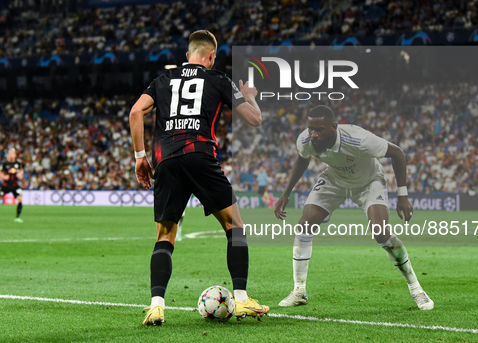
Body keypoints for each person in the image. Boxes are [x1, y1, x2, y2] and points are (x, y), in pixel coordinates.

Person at [130, 30, 269, 325]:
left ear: (187, 55)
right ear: (211, 57)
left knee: (165, 236)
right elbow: (255, 119)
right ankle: (242, 300)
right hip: (200, 155)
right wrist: (249, 98)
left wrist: (140, 158)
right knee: (235, 225)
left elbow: (135, 112)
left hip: (166, 161)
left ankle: (156, 306)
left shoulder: (161, 81)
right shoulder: (218, 79)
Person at [274, 105, 434, 310]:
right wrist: (286, 193)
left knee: (380, 232)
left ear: (333, 127)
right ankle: (299, 290)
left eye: (319, 129)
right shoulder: (305, 139)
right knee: (305, 225)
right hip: (334, 179)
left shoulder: (359, 139)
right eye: (310, 128)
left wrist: (403, 196)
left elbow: (398, 153)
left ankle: (416, 289)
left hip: (368, 181)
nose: (313, 134)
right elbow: (302, 159)